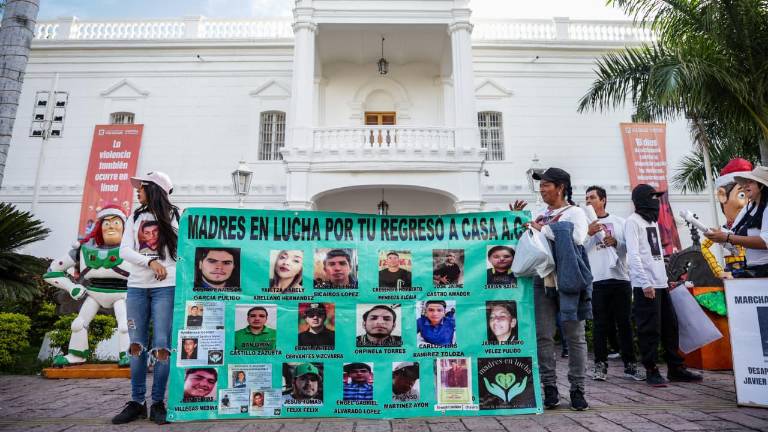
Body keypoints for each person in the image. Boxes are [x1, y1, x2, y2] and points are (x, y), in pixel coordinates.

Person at [510, 167, 591, 411]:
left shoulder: (575, 212)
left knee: (575, 336)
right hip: (542, 280)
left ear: (561, 187)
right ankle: (550, 388)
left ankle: (577, 389)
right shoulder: (541, 214)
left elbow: (578, 238)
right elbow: (531, 242)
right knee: (543, 336)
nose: (542, 189)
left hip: (569, 280)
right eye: (541, 185)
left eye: (546, 185)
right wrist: (517, 220)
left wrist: (542, 229)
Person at [112, 171, 179, 425]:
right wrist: (150, 262)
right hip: (137, 287)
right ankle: (137, 402)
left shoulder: (176, 216)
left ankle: (158, 403)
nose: (137, 191)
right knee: (136, 345)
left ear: (154, 190)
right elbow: (124, 251)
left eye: (141, 187)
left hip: (167, 288)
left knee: (162, 346)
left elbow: (187, 249)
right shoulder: (135, 217)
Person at [626, 184, 703, 387]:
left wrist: (665, 279)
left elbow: (655, 254)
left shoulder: (652, 222)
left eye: (657, 197)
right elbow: (633, 255)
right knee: (649, 329)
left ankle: (675, 368)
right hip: (646, 286)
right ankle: (651, 369)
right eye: (652, 197)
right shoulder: (632, 222)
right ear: (641, 199)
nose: (656, 202)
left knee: (670, 327)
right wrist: (645, 283)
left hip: (660, 284)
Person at [44, 205, 131, 368]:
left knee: (124, 325)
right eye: (106, 223)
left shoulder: (132, 250)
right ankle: (76, 355)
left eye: (116, 223)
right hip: (93, 293)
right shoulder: (82, 251)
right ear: (99, 228)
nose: (111, 227)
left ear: (124, 228)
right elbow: (52, 272)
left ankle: (128, 354)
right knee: (78, 324)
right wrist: (71, 287)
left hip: (122, 294)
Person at [584, 185, 645, 382]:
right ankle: (600, 366)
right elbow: (579, 249)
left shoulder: (620, 222)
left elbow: (631, 248)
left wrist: (617, 243)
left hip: (620, 279)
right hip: (597, 280)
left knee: (624, 323)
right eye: (586, 198)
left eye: (592, 197)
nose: (588, 201)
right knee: (600, 325)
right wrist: (589, 234)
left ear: (603, 200)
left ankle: (630, 365)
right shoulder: (584, 224)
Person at [705, 166, 768, 278]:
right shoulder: (749, 208)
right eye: (746, 182)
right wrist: (717, 235)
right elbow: (732, 234)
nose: (745, 185)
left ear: (762, 186)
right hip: (753, 269)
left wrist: (727, 237)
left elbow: (765, 242)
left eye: (751, 182)